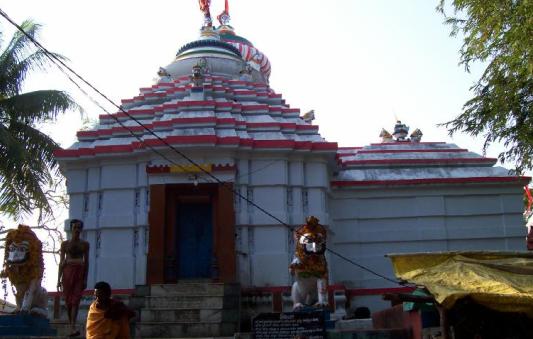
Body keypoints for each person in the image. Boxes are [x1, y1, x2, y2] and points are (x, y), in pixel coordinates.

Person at [57, 219, 90, 337]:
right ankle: (71, 325)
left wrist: (86, 278)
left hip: (79, 272)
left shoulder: (85, 244)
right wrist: (58, 279)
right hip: (67, 272)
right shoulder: (65, 244)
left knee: (75, 300)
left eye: (79, 228)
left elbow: (87, 262)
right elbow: (61, 262)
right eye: (75, 227)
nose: (77, 230)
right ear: (71, 229)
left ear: (81, 230)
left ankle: (73, 326)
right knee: (68, 301)